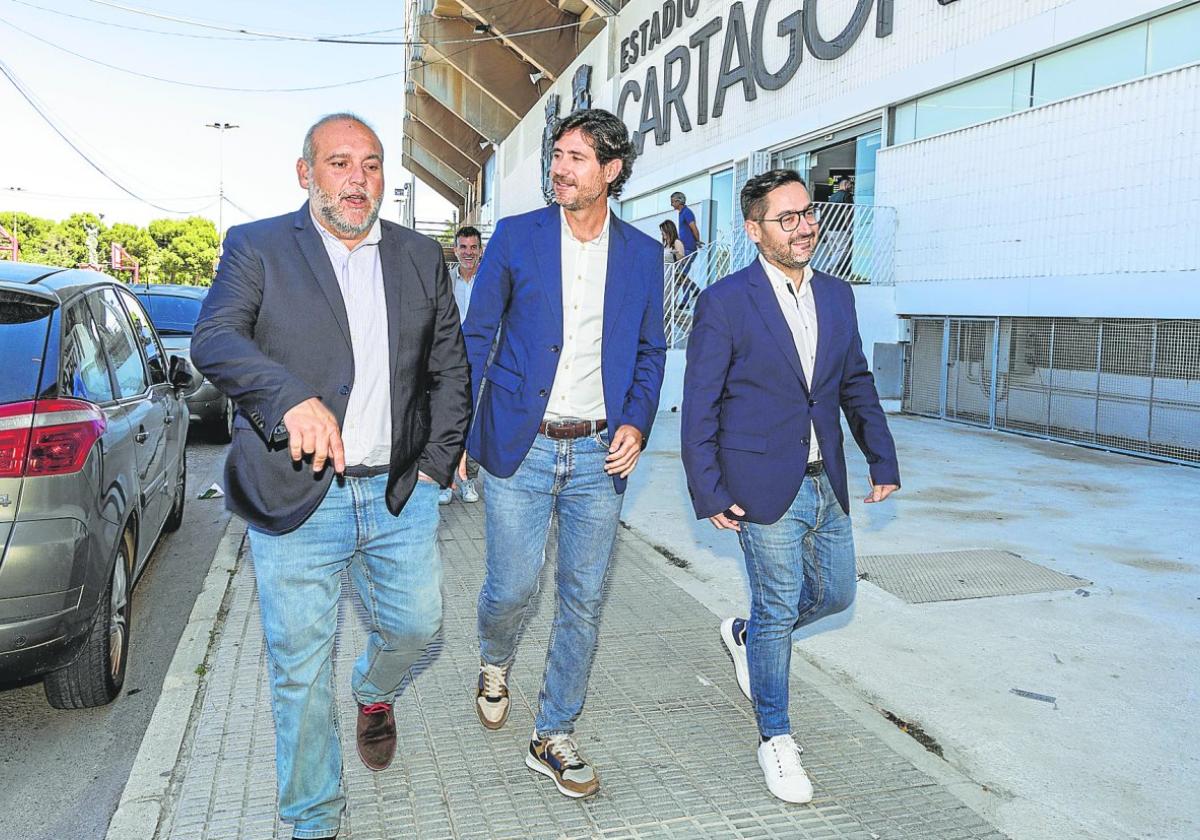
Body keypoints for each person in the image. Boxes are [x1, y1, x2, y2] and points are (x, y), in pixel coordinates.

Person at [191, 113, 471, 840]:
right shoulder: (256, 247)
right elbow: (215, 339)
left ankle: (374, 690)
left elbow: (449, 367)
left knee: (418, 628)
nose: (358, 179)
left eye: (372, 164)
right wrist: (287, 398)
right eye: (340, 163)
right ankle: (315, 821)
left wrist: (438, 465)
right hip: (295, 496)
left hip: (398, 492)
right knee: (298, 673)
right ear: (305, 172)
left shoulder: (419, 255)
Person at [462, 108, 665, 799]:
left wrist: (636, 422)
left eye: (577, 157)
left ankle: (552, 733)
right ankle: (495, 659)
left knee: (583, 598)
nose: (560, 168)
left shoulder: (642, 254)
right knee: (514, 587)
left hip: (600, 453)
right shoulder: (518, 237)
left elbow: (649, 351)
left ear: (610, 171)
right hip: (522, 447)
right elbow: (475, 337)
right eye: (557, 154)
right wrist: (457, 434)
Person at [680, 169, 899, 805]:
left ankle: (748, 638)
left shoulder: (836, 295)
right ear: (755, 230)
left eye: (809, 214)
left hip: (825, 477)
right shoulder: (725, 302)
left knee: (832, 593)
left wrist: (879, 458)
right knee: (779, 604)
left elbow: (854, 381)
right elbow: (700, 406)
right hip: (759, 481)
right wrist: (710, 489)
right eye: (788, 218)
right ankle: (775, 738)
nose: (805, 227)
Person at [444, 224, 484, 505]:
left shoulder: (491, 279)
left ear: (480, 251)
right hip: (450, 361)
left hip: (482, 361)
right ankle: (444, 480)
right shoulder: (445, 280)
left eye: (473, 247)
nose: (468, 253)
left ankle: (469, 479)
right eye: (463, 247)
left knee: (475, 422)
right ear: (455, 250)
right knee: (446, 420)